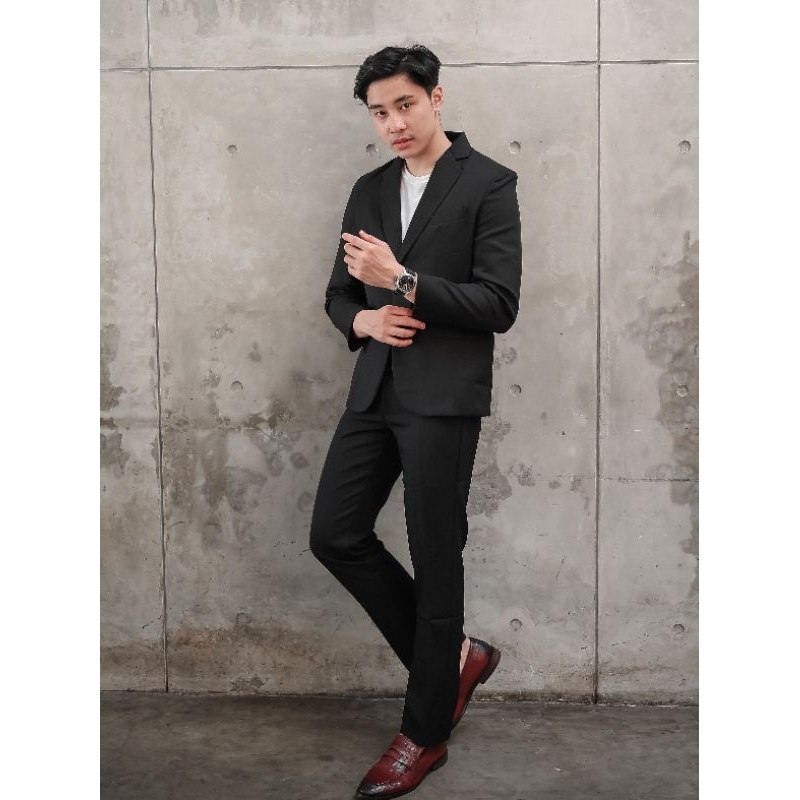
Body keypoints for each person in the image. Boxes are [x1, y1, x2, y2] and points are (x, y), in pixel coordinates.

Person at [309, 44, 522, 799]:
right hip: (375, 391)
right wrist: (363, 322)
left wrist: (401, 281)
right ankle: (454, 661)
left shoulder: (488, 183)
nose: (393, 123)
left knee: (437, 560)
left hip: (442, 398)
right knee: (335, 534)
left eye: (404, 104)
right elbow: (340, 295)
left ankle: (424, 733)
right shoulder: (369, 190)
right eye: (379, 113)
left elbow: (498, 303)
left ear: (436, 97)